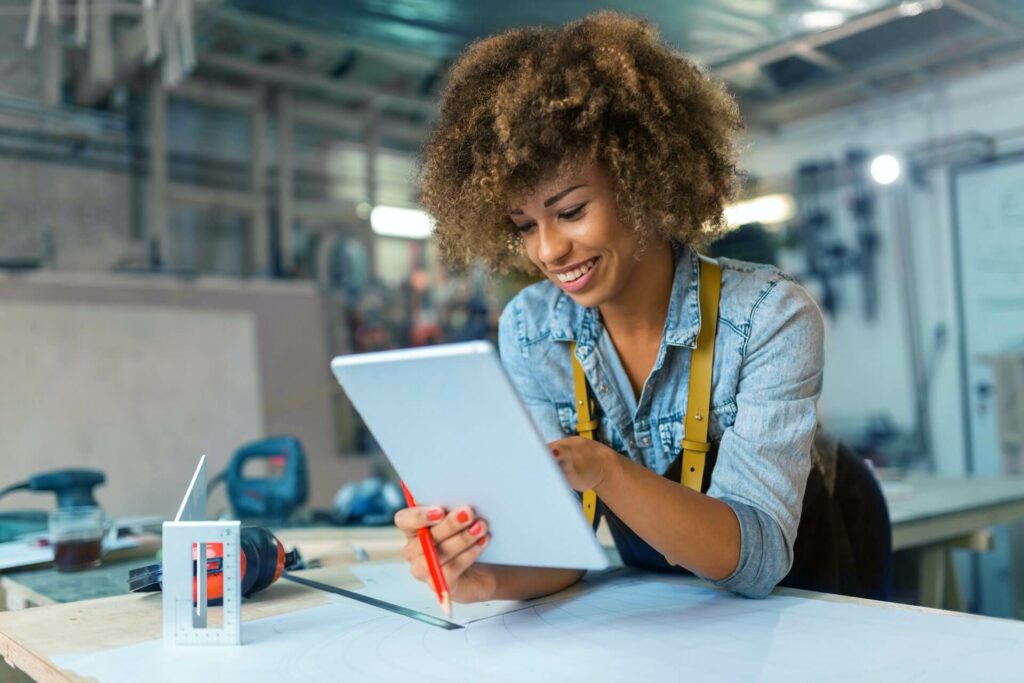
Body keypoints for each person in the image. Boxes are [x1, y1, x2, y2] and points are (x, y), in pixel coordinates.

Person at [394, 11, 830, 602]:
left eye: (571, 211)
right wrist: (483, 577)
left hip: (809, 609)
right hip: (673, 625)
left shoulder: (769, 319)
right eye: (524, 225)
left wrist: (600, 468)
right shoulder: (533, 329)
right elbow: (566, 551)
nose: (548, 250)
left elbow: (756, 563)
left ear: (644, 185)